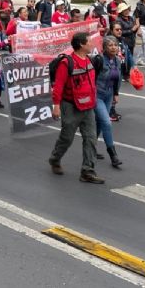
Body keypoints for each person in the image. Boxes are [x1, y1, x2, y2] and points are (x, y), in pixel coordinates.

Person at [48, 32, 103, 183]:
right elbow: (58, 86)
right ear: (81, 45)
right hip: (70, 106)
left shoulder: (90, 61)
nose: (92, 44)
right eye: (89, 42)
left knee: (91, 139)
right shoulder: (67, 63)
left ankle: (87, 172)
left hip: (88, 107)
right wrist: (56, 106)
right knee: (67, 138)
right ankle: (55, 159)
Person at [94, 37, 123, 168]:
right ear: (104, 48)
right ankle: (113, 155)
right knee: (106, 122)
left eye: (115, 45)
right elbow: (90, 77)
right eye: (110, 45)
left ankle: (91, 148)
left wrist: (116, 93)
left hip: (108, 95)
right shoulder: (98, 60)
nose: (113, 47)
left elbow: (117, 78)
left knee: (100, 123)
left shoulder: (117, 60)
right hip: (97, 95)